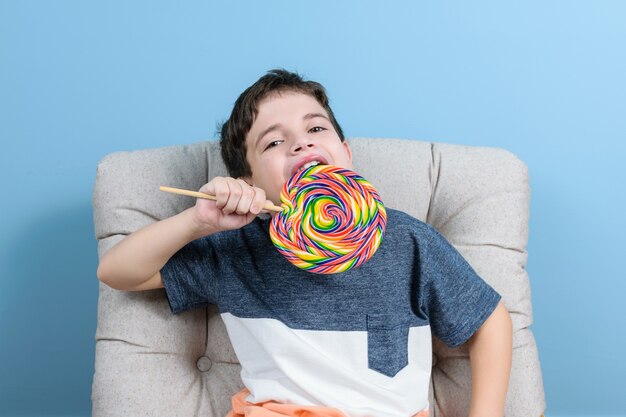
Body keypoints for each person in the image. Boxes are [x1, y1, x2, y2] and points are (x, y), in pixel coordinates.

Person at [97, 69, 512, 417]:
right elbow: (117, 272)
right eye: (273, 142)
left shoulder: (407, 241)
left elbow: (490, 320)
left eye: (316, 127)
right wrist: (197, 221)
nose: (301, 142)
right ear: (249, 183)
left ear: (346, 155)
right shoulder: (234, 249)